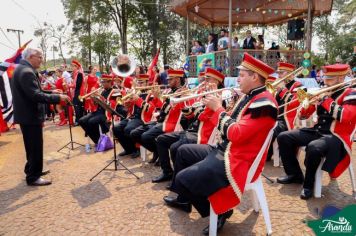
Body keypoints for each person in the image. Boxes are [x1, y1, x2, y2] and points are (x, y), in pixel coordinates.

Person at [172, 53, 277, 234]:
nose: (238, 79)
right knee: (182, 152)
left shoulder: (264, 103)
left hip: (237, 159)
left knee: (182, 180)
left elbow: (235, 134)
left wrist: (218, 109)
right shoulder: (249, 96)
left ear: (254, 77)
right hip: (225, 149)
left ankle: (220, 211)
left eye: (242, 75)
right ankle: (207, 205)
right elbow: (223, 124)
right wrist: (210, 107)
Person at [276, 64, 356, 200]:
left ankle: (308, 185)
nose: (325, 81)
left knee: (314, 147)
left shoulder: (350, 94)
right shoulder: (324, 91)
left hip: (336, 136)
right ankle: (294, 174)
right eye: (325, 77)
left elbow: (345, 116)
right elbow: (304, 116)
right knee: (284, 137)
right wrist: (307, 106)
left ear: (342, 78)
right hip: (317, 131)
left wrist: (325, 100)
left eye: (330, 78)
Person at [154, 68, 225, 184]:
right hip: (192, 129)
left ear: (217, 82)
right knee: (161, 139)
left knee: (175, 148)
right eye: (205, 78)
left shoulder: (218, 98)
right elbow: (189, 116)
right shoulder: (205, 95)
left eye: (208, 79)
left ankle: (180, 180)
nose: (204, 81)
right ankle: (168, 172)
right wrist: (186, 107)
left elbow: (206, 118)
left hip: (203, 134)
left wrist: (196, 111)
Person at [11, 48, 70, 186]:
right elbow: (35, 95)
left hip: (26, 115)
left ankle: (31, 169)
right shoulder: (26, 72)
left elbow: (33, 90)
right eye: (40, 57)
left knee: (31, 146)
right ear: (31, 57)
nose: (41, 60)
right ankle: (33, 177)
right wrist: (58, 97)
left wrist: (50, 91)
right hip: (30, 115)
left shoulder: (22, 69)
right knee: (35, 146)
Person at [266, 62, 303, 161]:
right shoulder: (280, 85)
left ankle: (267, 154)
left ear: (290, 74)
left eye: (281, 73)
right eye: (278, 73)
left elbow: (294, 103)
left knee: (271, 129)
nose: (279, 75)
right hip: (277, 117)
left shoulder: (298, 85)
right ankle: (265, 154)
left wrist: (282, 90)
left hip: (289, 119)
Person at [78, 74, 116, 145]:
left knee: (91, 121)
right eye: (102, 82)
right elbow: (96, 104)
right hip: (98, 111)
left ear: (109, 82)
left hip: (106, 113)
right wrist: (94, 99)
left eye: (104, 82)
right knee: (82, 121)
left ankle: (99, 140)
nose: (102, 84)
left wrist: (100, 97)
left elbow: (112, 105)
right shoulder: (102, 91)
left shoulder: (115, 91)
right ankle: (97, 140)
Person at [71, 59, 85, 126]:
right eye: (72, 66)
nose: (72, 67)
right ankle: (80, 120)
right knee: (78, 107)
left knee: (77, 107)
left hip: (78, 92)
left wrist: (70, 85)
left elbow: (78, 85)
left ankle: (78, 120)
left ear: (76, 67)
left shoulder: (79, 74)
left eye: (73, 66)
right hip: (77, 92)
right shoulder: (77, 74)